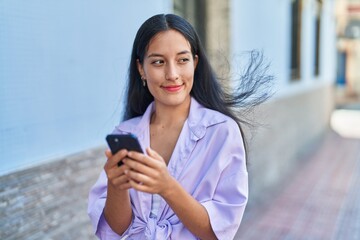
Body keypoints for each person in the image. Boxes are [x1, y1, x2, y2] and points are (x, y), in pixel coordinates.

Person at [88, 13, 271, 240]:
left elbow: (216, 233)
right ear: (141, 69)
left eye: (182, 60)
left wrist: (167, 186)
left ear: (195, 63)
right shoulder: (125, 133)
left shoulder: (221, 131)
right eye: (158, 62)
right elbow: (118, 229)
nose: (172, 74)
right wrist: (117, 186)